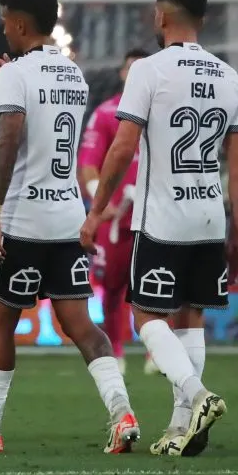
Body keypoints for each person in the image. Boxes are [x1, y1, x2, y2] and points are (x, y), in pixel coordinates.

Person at [0, 0, 139, 455]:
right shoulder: (74, 74)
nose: (3, 27)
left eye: (6, 20)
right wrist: (13, 78)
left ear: (21, 24)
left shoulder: (16, 75)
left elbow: (8, 144)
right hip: (67, 216)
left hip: (22, 219)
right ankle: (122, 413)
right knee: (80, 324)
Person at [79, 0, 238, 458]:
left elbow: (123, 147)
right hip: (209, 217)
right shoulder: (229, 77)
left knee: (146, 316)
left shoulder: (149, 71)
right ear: (204, 20)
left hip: (162, 219)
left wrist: (95, 213)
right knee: (190, 318)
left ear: (160, 17)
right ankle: (183, 429)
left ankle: (198, 397)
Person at [76, 48, 154, 377]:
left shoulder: (165, 114)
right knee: (112, 287)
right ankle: (117, 351)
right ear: (122, 74)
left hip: (156, 215)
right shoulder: (107, 114)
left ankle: (157, 353)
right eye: (129, 69)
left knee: (158, 286)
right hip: (117, 220)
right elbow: (88, 165)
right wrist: (99, 202)